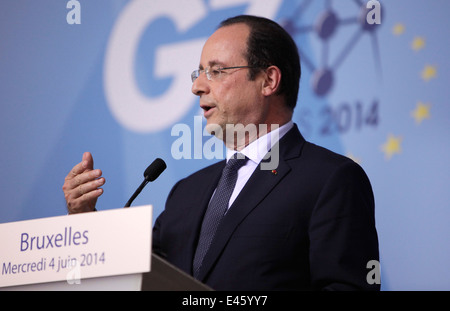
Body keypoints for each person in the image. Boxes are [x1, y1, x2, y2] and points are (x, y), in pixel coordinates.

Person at [63, 15, 380, 291]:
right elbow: (138, 278)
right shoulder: (186, 192)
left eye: (215, 71)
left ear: (268, 80)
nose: (197, 87)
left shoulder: (330, 179)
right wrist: (86, 222)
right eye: (198, 73)